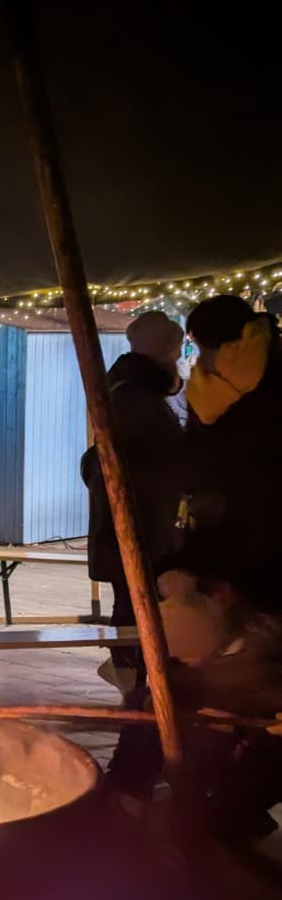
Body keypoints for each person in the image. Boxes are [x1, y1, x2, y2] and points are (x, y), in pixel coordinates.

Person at [107, 558, 282, 846]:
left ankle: (231, 816)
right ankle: (128, 788)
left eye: (217, 589)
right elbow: (193, 678)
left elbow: (246, 688)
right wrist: (166, 696)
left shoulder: (263, 642)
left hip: (254, 742)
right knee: (144, 702)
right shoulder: (218, 626)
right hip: (220, 724)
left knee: (215, 744)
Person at [83, 311, 186, 700]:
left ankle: (136, 683)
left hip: (137, 531)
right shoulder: (135, 399)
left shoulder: (126, 394)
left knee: (134, 608)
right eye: (174, 354)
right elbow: (103, 465)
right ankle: (135, 686)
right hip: (135, 532)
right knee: (136, 610)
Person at [183, 295, 282, 615]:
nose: (199, 357)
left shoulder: (269, 379)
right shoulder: (207, 385)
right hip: (224, 533)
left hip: (263, 535)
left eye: (200, 346)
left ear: (218, 344)